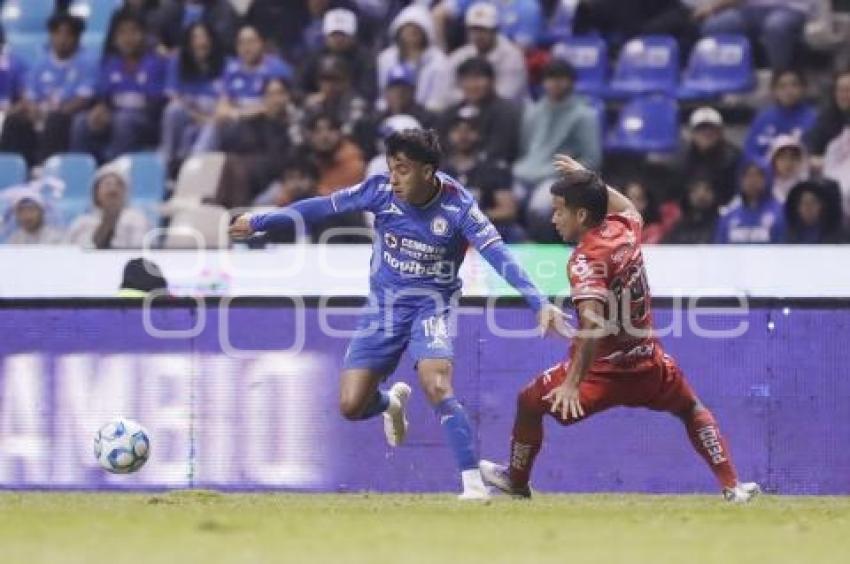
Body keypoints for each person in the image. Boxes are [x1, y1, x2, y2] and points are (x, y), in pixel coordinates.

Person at [229, 129, 564, 500]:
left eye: (402, 170)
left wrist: (540, 302)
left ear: (428, 171)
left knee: (436, 383)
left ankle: (472, 486)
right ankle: (391, 402)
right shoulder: (380, 191)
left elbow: (499, 255)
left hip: (431, 305)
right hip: (383, 307)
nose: (394, 178)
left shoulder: (459, 207)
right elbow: (320, 207)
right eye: (391, 168)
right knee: (351, 406)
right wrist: (261, 222)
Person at [478, 153, 761, 503]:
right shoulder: (624, 229)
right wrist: (587, 177)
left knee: (528, 401)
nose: (554, 218)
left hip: (601, 374)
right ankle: (732, 485)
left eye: (559, 210)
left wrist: (571, 384)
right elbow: (625, 205)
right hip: (648, 364)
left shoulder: (585, 259)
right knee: (692, 409)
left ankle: (517, 484)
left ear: (581, 215)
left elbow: (593, 324)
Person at [514, 58, 601, 241]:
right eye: (550, 78)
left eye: (560, 78)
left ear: (571, 82)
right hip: (524, 173)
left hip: (558, 177)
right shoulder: (533, 112)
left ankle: (544, 253)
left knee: (540, 208)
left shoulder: (585, 115)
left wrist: (568, 173)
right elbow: (524, 149)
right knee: (500, 202)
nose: (554, 84)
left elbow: (592, 159)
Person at [70, 11, 168, 163]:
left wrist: (114, 113)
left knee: (123, 121)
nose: (128, 38)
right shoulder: (109, 63)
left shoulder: (156, 63)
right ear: (115, 39)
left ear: (144, 35)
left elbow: (154, 106)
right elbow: (103, 97)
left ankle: (113, 170)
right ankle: (81, 169)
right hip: (115, 117)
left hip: (147, 122)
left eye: (133, 31)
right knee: (82, 121)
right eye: (122, 33)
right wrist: (100, 109)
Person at [0, 13, 94, 166]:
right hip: (40, 114)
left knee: (55, 120)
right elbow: (29, 96)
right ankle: (10, 168)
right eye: (57, 33)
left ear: (77, 37)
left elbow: (84, 98)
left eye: (68, 34)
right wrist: (33, 110)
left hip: (68, 115)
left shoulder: (88, 62)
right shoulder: (40, 63)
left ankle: (44, 168)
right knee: (14, 121)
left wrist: (54, 113)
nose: (62, 39)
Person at [441, 108, 523, 242]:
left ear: (479, 134)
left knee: (515, 233)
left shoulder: (493, 169)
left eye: (469, 130)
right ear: (449, 134)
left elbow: (508, 211)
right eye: (457, 130)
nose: (463, 135)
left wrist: (471, 217)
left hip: (486, 231)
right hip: (445, 231)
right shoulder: (439, 171)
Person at [159, 22, 225, 176]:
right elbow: (173, 96)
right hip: (189, 113)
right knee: (172, 110)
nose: (201, 42)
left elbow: (225, 100)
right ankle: (166, 163)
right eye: (195, 37)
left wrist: (208, 118)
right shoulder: (178, 62)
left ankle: (193, 170)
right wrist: (196, 115)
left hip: (212, 117)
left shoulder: (225, 63)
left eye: (204, 37)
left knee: (213, 125)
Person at [440, 57, 522, 164]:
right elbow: (440, 144)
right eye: (467, 79)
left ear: (492, 80)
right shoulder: (451, 112)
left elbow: (500, 151)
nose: (472, 85)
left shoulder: (506, 112)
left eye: (478, 78)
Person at [695, 0, 811, 72]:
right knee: (714, 26)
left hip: (788, 7)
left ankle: (779, 82)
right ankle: (723, 81)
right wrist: (712, 7)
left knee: (775, 27)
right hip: (751, 8)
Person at [447, 2, 528, 103]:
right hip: (468, 109)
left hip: (508, 113)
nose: (478, 35)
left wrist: (470, 95)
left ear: (495, 31)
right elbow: (447, 91)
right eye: (474, 30)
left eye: (483, 30)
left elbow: (506, 95)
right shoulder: (460, 56)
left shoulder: (512, 56)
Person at [377, 5, 452, 113]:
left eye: (417, 28)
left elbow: (437, 100)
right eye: (407, 27)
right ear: (398, 30)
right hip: (390, 110)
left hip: (427, 114)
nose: (411, 32)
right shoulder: (386, 58)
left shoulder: (439, 61)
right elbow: (382, 92)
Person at [300, 8, 377, 102]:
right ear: (326, 36)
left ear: (353, 36)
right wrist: (310, 97)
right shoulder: (315, 57)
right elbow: (299, 86)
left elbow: (368, 90)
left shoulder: (364, 59)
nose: (338, 39)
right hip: (319, 104)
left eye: (343, 34)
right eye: (334, 34)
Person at [66, 164, 150, 249]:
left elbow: (140, 252)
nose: (113, 189)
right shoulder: (82, 223)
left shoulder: (137, 220)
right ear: (96, 192)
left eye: (119, 185)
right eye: (107, 184)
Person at [743, 69, 816, 161]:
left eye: (794, 85)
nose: (788, 91)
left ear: (804, 88)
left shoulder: (814, 119)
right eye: (782, 86)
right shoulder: (762, 119)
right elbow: (750, 154)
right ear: (774, 91)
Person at [673, 107, 741, 206]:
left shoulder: (733, 160)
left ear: (720, 133)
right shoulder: (682, 160)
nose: (707, 133)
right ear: (692, 134)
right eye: (701, 128)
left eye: (712, 129)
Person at [714, 158, 785, 244]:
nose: (752, 181)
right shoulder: (729, 216)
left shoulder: (781, 213)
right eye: (747, 175)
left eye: (758, 175)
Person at [805, 70, 850, 166]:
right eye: (841, 90)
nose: (844, 95)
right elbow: (812, 151)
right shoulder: (826, 120)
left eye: (848, 90)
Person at [784, 179, 847, 243]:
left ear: (821, 206)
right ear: (798, 208)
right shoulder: (790, 235)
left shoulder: (836, 235)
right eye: (803, 203)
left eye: (813, 202)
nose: (808, 208)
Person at [663, 176, 720, 244]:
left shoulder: (721, 224)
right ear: (688, 194)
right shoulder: (679, 227)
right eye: (695, 190)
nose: (701, 195)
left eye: (707, 189)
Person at [767, 134, 808, 202]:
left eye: (793, 158)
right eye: (783, 158)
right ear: (773, 160)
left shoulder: (806, 187)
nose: (788, 163)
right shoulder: (765, 186)